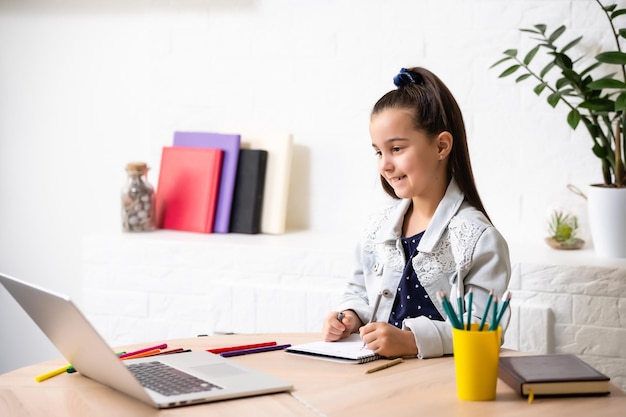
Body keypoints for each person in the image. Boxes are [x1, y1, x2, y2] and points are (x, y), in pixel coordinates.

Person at [322, 67, 511, 359]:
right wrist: (349, 316)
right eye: (378, 152)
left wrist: (411, 342)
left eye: (396, 148)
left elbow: (486, 327)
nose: (384, 165)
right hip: (377, 376)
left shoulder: (478, 239)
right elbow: (359, 289)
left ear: (441, 146)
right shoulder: (378, 228)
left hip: (440, 383)